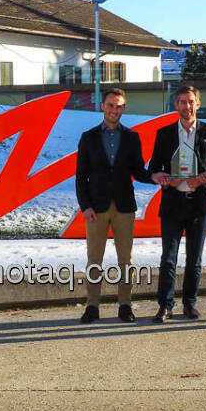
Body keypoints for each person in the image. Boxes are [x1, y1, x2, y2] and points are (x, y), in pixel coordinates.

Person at [74, 86, 151, 323]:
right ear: (102, 106)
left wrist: (156, 176)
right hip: (96, 208)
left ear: (123, 108)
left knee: (125, 260)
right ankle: (92, 306)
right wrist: (85, 206)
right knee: (94, 259)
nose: (114, 110)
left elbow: (138, 171)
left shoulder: (131, 137)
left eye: (118, 106)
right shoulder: (88, 138)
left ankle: (125, 306)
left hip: (124, 207)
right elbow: (80, 177)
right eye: (110, 105)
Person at [147, 85, 206, 323]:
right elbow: (154, 168)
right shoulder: (165, 133)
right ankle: (165, 306)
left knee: (194, 258)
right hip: (173, 202)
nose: (187, 106)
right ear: (176, 105)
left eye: (191, 101)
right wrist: (163, 177)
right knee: (168, 257)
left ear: (198, 104)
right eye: (182, 101)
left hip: (199, 204)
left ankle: (189, 304)